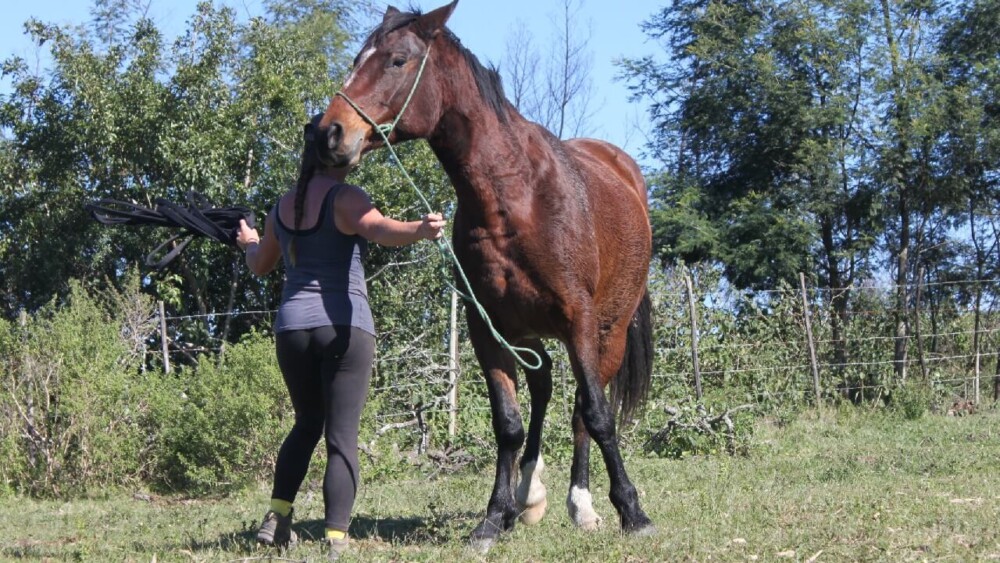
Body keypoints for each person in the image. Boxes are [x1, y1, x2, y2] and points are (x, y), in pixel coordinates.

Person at [235, 113, 446, 559]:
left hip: (292, 329)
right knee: (342, 436)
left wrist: (250, 241)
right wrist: (421, 231)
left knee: (306, 423)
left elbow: (260, 264)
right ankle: (335, 540)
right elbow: (380, 229)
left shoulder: (284, 204)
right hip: (345, 327)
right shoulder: (346, 198)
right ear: (338, 151)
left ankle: (276, 517)